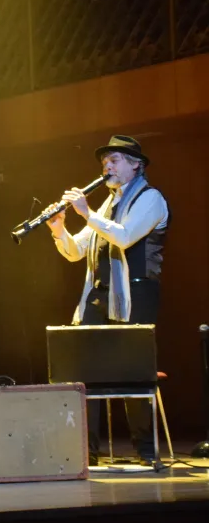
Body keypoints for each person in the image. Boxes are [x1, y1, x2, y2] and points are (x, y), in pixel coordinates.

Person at [46, 134, 169, 465]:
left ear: (135, 165)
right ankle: (87, 452)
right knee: (84, 372)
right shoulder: (106, 205)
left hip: (135, 293)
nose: (107, 167)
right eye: (105, 163)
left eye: (114, 161)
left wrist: (86, 213)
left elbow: (125, 236)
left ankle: (145, 449)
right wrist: (60, 229)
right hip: (99, 296)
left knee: (132, 370)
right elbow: (77, 252)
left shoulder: (151, 198)